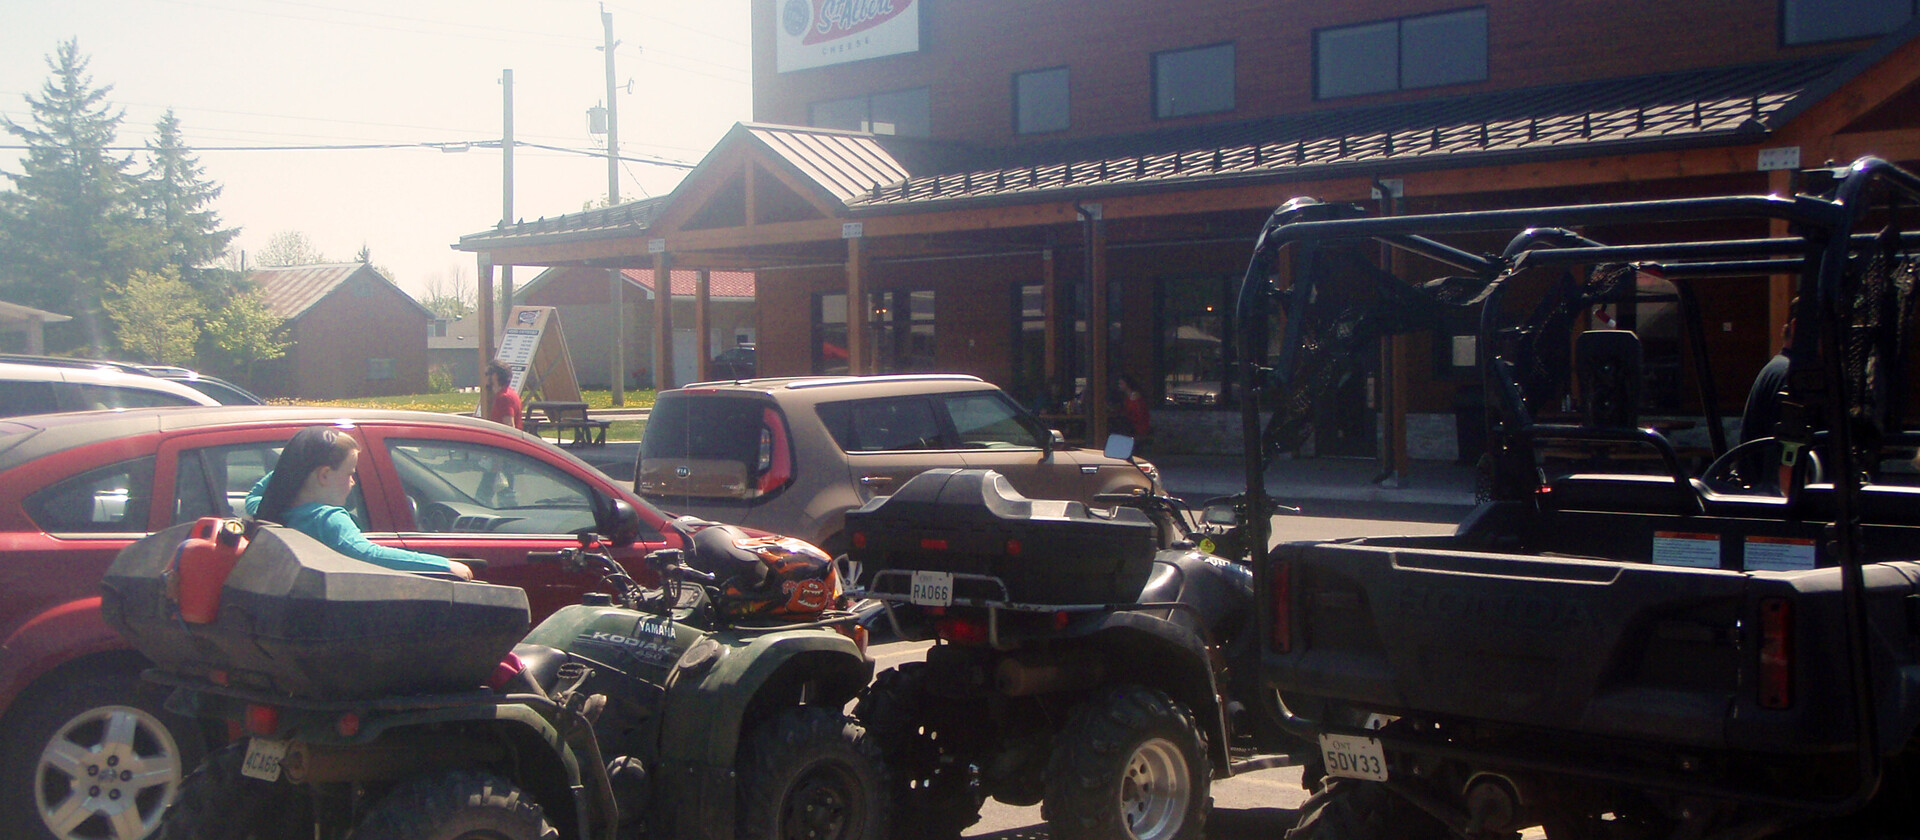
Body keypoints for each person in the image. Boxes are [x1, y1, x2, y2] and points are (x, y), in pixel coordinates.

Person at [247, 426, 473, 579]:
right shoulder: (327, 520)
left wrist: (295, 465)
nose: (353, 482)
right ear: (324, 475)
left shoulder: (272, 512)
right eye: (349, 474)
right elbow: (369, 554)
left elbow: (254, 495)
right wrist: (446, 566)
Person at [1115, 374, 1152, 451]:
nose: (1119, 386)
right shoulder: (1127, 397)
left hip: (1137, 424)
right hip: (1132, 422)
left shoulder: (1135, 396)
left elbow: (1137, 413)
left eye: (1121, 384)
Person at [483, 361, 523, 431]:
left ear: (495, 376)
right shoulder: (511, 393)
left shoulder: (504, 398)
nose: (484, 378)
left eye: (486, 374)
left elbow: (509, 427)